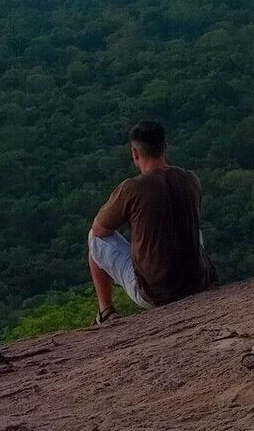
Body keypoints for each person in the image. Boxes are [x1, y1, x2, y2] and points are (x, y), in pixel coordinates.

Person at [85, 119, 212, 323]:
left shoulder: (131, 188)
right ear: (165, 148)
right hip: (199, 282)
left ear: (135, 153)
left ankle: (105, 311)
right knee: (191, 225)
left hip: (155, 294)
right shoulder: (190, 179)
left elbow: (99, 230)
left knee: (94, 239)